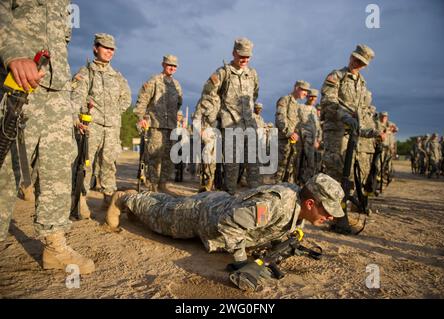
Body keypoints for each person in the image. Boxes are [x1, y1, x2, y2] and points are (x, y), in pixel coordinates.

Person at [0, 0, 94, 273]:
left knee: (59, 165)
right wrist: (14, 53)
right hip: (18, 83)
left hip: (56, 89)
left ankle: (55, 245)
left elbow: (59, 41)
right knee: (8, 167)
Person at [105, 173, 344, 266]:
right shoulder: (275, 204)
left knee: (168, 203)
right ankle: (124, 199)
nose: (330, 216)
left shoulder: (299, 206)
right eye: (327, 211)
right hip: (204, 216)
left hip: (219, 203)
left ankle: (137, 197)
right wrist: (241, 261)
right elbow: (229, 224)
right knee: (160, 217)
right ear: (311, 203)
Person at [319, 44, 383, 234]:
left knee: (352, 178)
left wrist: (373, 132)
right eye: (355, 59)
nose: (356, 63)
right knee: (336, 174)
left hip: (355, 137)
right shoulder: (336, 77)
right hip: (337, 133)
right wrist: (344, 116)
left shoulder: (363, 86)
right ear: (350, 57)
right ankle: (336, 217)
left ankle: (342, 213)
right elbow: (328, 102)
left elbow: (364, 114)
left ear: (365, 65)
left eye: (361, 62)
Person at [71, 33, 131, 216]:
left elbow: (126, 98)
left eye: (112, 49)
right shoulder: (86, 72)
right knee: (85, 162)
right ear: (96, 48)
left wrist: (114, 112)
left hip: (112, 127)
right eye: (105, 48)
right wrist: (78, 118)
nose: (109, 52)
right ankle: (81, 199)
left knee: (109, 162)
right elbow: (75, 98)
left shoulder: (117, 76)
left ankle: (108, 198)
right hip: (92, 126)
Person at [195, 38, 260, 194]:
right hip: (230, 126)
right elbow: (208, 97)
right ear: (233, 53)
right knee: (231, 168)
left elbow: (254, 96)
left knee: (254, 167)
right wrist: (205, 124)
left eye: (248, 57)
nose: (244, 59)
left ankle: (256, 200)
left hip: (249, 126)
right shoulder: (223, 73)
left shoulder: (252, 74)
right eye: (241, 56)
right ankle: (228, 200)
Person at [134, 55, 183, 192]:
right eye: (169, 65)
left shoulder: (176, 85)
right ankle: (152, 186)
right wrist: (141, 117)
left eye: (174, 66)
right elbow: (142, 100)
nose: (172, 68)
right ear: (163, 64)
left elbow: (179, 103)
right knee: (154, 156)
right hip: (156, 125)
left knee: (168, 158)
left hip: (170, 126)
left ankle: (163, 185)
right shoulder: (154, 81)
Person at [274, 80, 311, 184]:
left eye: (307, 92)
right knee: (280, 170)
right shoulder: (284, 100)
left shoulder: (297, 105)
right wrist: (289, 133)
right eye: (304, 90)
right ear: (297, 88)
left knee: (290, 169)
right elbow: (280, 119)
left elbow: (298, 124)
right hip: (283, 141)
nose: (306, 94)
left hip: (293, 143)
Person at [298, 88, 321, 183]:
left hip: (314, 141)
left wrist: (318, 139)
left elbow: (317, 126)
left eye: (315, 97)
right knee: (302, 162)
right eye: (311, 96)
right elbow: (298, 123)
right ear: (307, 97)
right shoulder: (300, 107)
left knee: (312, 163)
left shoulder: (315, 110)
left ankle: (308, 182)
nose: (312, 98)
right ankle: (301, 181)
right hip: (303, 139)